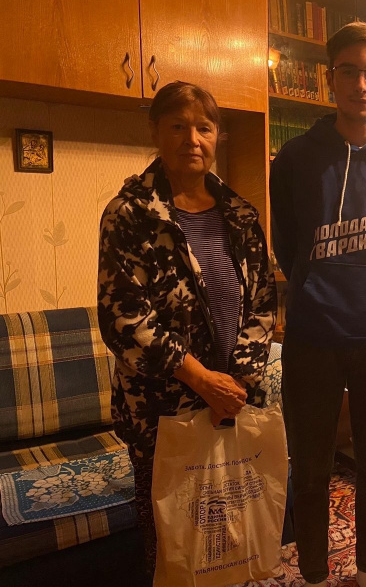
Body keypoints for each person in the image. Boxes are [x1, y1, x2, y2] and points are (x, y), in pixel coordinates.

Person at [269, 22, 366, 587]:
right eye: (349, 71)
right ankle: (314, 573)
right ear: (329, 78)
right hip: (311, 337)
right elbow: (287, 246)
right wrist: (318, 287)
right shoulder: (294, 159)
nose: (361, 84)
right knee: (310, 467)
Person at [97, 81, 277, 574]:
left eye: (204, 127)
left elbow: (263, 305)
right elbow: (124, 319)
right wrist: (203, 380)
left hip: (234, 401)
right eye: (178, 126)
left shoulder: (241, 215)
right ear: (155, 132)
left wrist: (235, 384)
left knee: (233, 531)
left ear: (217, 136)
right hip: (161, 412)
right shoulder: (129, 214)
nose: (192, 139)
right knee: (172, 544)